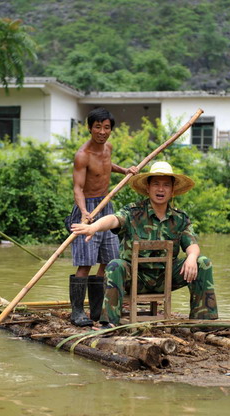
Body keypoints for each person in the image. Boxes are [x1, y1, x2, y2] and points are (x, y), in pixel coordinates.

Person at [71, 161, 218, 327]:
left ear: (172, 190)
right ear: (148, 188)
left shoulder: (180, 218)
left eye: (165, 185)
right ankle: (109, 323)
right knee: (114, 265)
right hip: (135, 278)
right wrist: (93, 227)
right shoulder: (133, 212)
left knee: (202, 262)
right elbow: (113, 219)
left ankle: (203, 322)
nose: (160, 189)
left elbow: (192, 243)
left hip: (166, 278)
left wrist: (191, 257)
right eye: (156, 184)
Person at [67, 107, 138, 326]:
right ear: (90, 128)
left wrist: (125, 170)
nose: (102, 131)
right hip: (87, 208)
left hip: (107, 206)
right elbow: (77, 188)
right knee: (85, 262)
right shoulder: (82, 155)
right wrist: (84, 212)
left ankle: (97, 310)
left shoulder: (108, 148)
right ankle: (77, 312)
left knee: (108, 260)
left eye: (106, 127)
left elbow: (105, 168)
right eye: (97, 127)